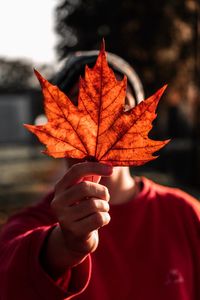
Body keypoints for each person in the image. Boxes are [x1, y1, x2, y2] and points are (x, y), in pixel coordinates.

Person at [0, 50, 199, 300]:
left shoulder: (186, 215)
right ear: (55, 125)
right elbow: (10, 278)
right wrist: (63, 246)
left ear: (139, 124)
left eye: (122, 106)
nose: (98, 122)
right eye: (75, 102)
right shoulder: (26, 226)